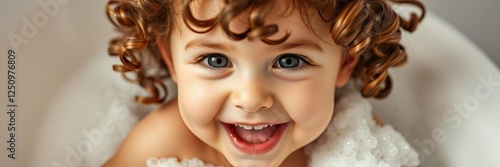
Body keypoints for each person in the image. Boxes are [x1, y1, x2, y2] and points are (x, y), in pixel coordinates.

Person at [103, 0, 425, 166]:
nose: (252, 98)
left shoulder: (354, 140)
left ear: (345, 61)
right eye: (216, 60)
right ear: (171, 61)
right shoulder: (159, 145)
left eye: (289, 61)